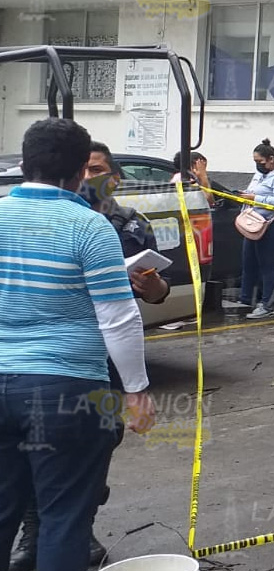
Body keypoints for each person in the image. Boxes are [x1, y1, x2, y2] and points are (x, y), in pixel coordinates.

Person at [0, 119, 156, 571]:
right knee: (64, 518)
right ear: (78, 174)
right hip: (68, 390)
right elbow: (118, 316)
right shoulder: (89, 227)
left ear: (24, 164)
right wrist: (136, 389)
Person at [238, 138, 274, 319]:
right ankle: (246, 300)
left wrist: (254, 199)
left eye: (260, 162)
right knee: (249, 262)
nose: (258, 166)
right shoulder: (260, 175)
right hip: (253, 222)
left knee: (269, 265)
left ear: (271, 159)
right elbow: (252, 191)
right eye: (255, 162)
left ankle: (267, 304)